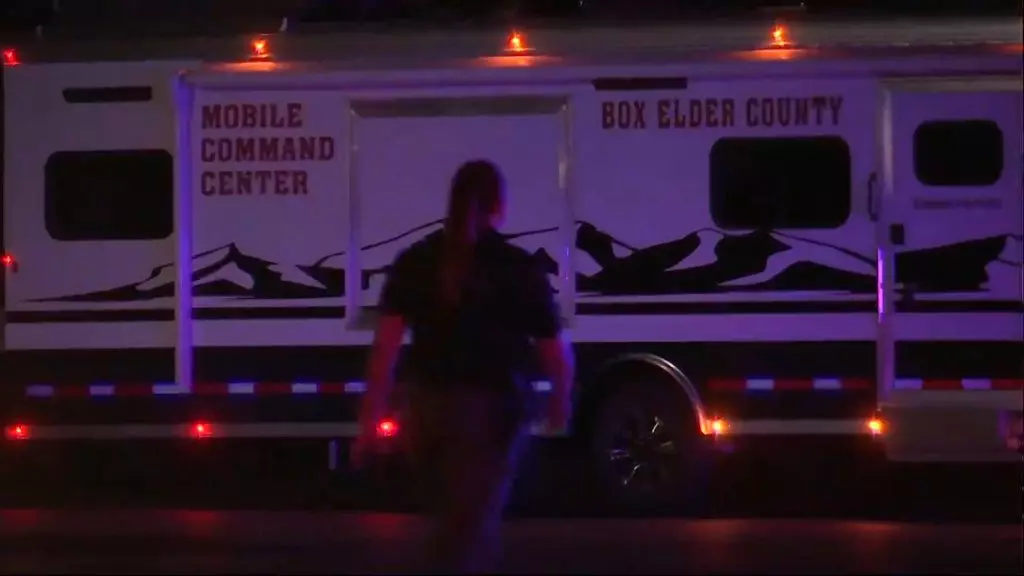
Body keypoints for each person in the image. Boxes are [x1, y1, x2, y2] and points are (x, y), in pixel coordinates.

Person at [351, 159, 575, 573]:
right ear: (498, 207)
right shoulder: (517, 268)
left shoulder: (415, 262)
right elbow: (554, 352)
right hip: (490, 414)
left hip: (425, 412)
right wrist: (560, 402)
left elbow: (385, 350)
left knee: (449, 522)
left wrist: (370, 420)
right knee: (470, 531)